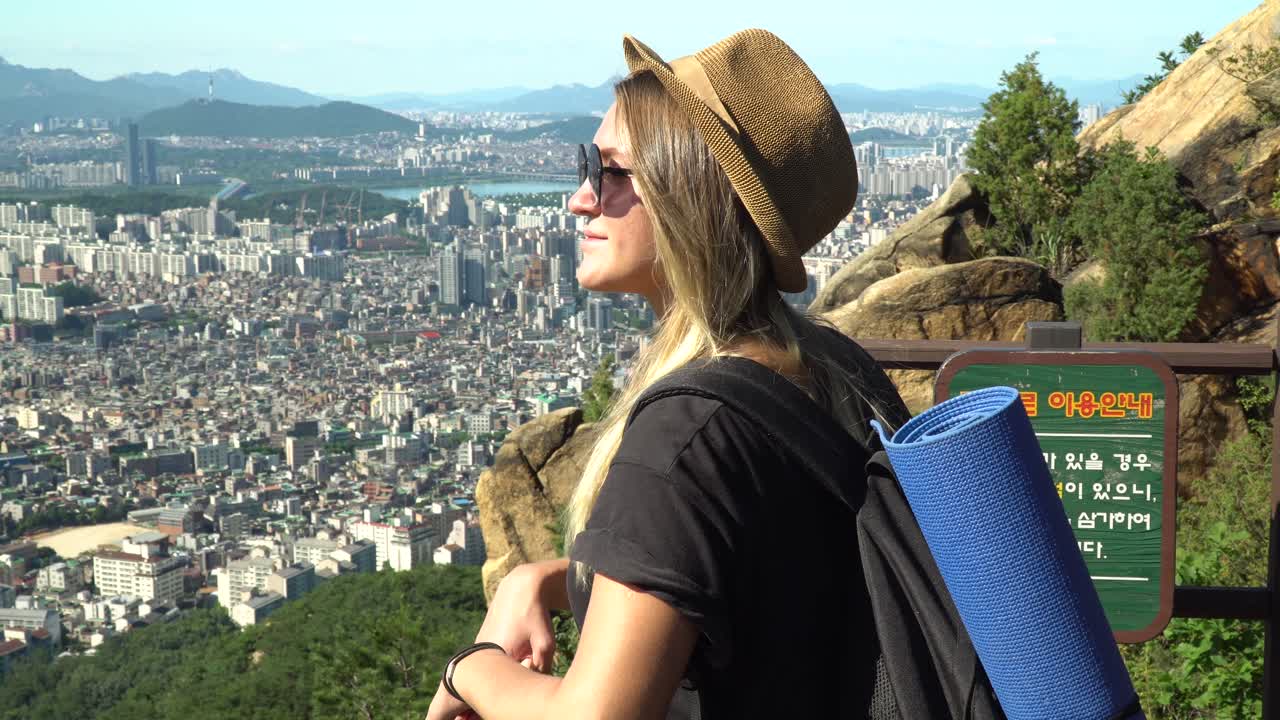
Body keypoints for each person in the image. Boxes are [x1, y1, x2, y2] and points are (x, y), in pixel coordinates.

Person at [426, 29, 910, 720]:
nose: (581, 199)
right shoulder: (832, 367)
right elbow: (758, 571)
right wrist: (545, 579)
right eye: (587, 164)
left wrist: (468, 670)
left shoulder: (688, 433)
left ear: (691, 197)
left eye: (612, 172)